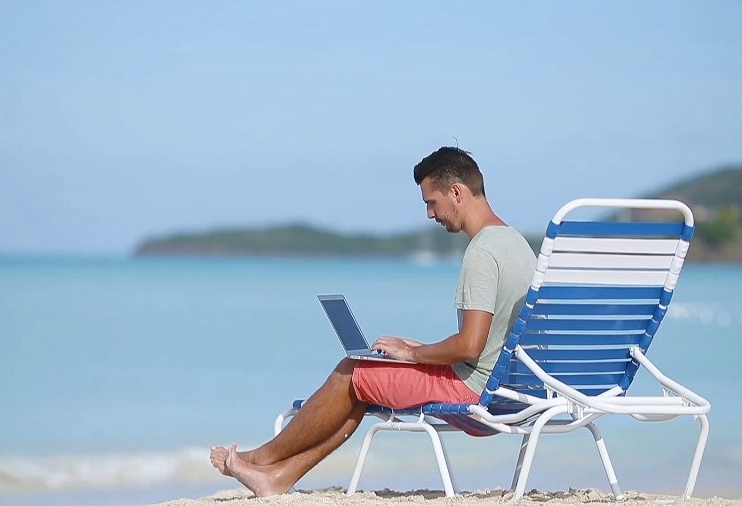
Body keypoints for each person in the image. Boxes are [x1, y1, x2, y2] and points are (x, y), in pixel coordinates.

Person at [209, 146, 537, 496]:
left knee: (353, 371)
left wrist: (412, 355)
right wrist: (420, 350)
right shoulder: (517, 245)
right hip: (514, 393)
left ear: (456, 192)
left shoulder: (482, 253)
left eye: (432, 202)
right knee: (367, 377)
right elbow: (490, 342)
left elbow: (470, 345)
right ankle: (277, 477)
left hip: (475, 392)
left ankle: (262, 458)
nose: (430, 214)